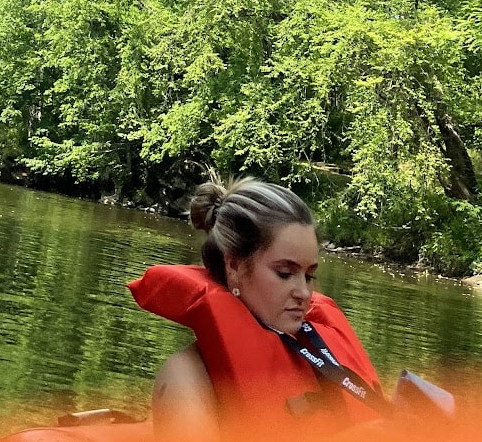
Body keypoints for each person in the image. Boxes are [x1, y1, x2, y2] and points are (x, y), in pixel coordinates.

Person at [130, 179, 381, 440]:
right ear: (234, 266)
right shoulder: (187, 378)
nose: (304, 293)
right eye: (285, 273)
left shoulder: (323, 357)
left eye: (308, 277)